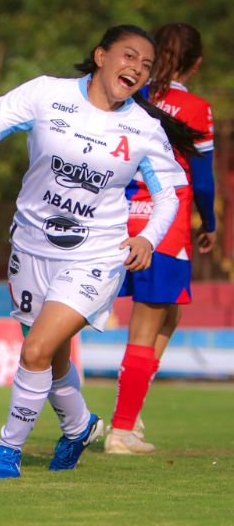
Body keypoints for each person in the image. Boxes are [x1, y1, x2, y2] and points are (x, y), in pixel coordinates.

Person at [0, 25, 200, 479]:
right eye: (128, 57)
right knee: (52, 356)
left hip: (96, 255)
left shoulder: (144, 128)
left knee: (36, 350)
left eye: (146, 66)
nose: (137, 69)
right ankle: (80, 425)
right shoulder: (46, 93)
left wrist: (147, 238)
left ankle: (8, 449)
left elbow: (170, 194)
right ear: (100, 55)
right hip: (30, 246)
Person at [106, 23, 216, 454]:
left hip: (117, 219)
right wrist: (209, 223)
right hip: (163, 227)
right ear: (197, 62)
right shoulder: (195, 107)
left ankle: (128, 415)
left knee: (168, 316)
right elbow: (202, 181)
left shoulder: (130, 96)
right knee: (147, 326)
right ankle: (121, 429)